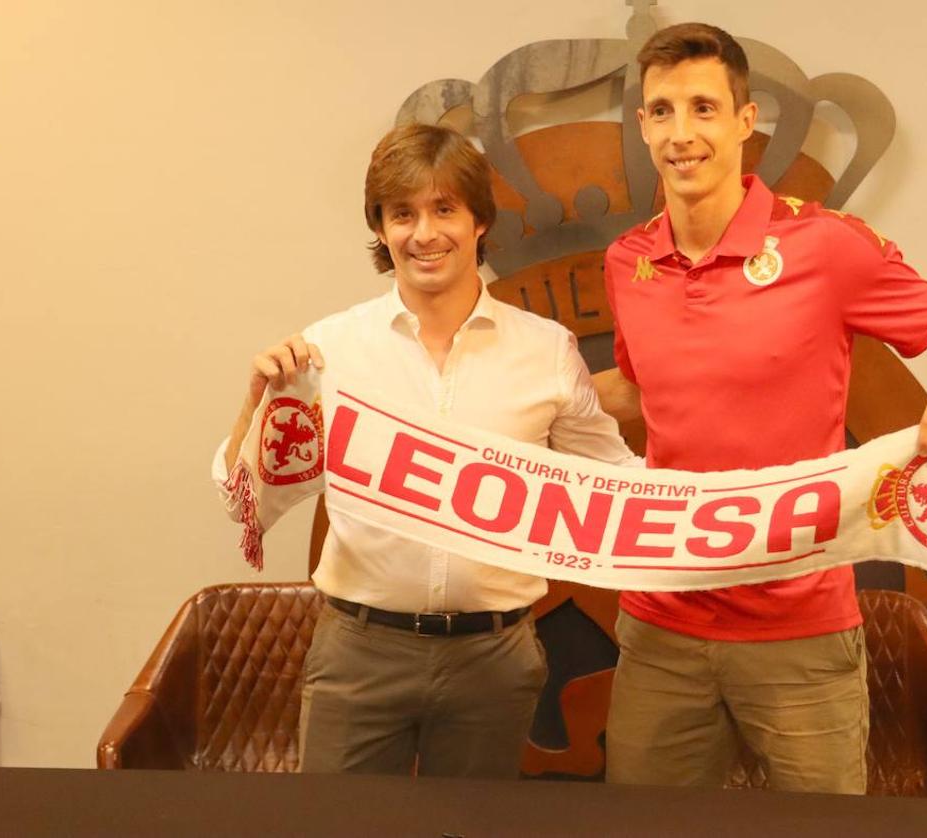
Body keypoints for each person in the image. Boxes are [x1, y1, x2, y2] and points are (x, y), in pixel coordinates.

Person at [595, 23, 927, 793]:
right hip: (661, 625)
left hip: (800, 630)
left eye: (703, 108)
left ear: (745, 123)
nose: (682, 134)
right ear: (644, 125)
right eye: (662, 112)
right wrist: (516, 403)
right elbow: (642, 390)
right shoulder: (630, 262)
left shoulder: (825, 247)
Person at [211, 123, 636, 778]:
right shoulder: (329, 351)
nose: (425, 233)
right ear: (380, 227)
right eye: (402, 213)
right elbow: (244, 502)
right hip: (360, 653)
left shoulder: (546, 350)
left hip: (493, 660)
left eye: (444, 209)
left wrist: (751, 505)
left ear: (479, 221)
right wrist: (255, 401)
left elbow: (620, 484)